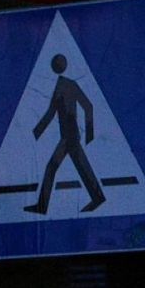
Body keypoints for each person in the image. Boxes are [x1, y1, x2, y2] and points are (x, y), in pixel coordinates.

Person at [24, 54, 105, 215]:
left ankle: (42, 206)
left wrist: (90, 134)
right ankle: (97, 197)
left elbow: (88, 106)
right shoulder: (61, 86)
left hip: (70, 136)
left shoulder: (67, 85)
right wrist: (34, 134)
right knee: (81, 166)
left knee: (51, 167)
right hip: (68, 136)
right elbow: (51, 113)